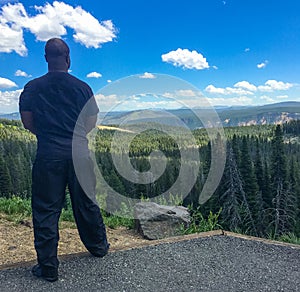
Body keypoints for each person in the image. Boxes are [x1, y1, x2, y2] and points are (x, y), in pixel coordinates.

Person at [19, 38, 109, 282]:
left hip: (48, 154)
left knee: (46, 210)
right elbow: (91, 122)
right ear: (68, 58)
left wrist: (50, 136)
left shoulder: (32, 88)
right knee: (87, 202)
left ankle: (48, 267)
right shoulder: (82, 88)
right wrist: (76, 137)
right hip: (79, 153)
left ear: (46, 58)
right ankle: (99, 247)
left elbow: (28, 122)